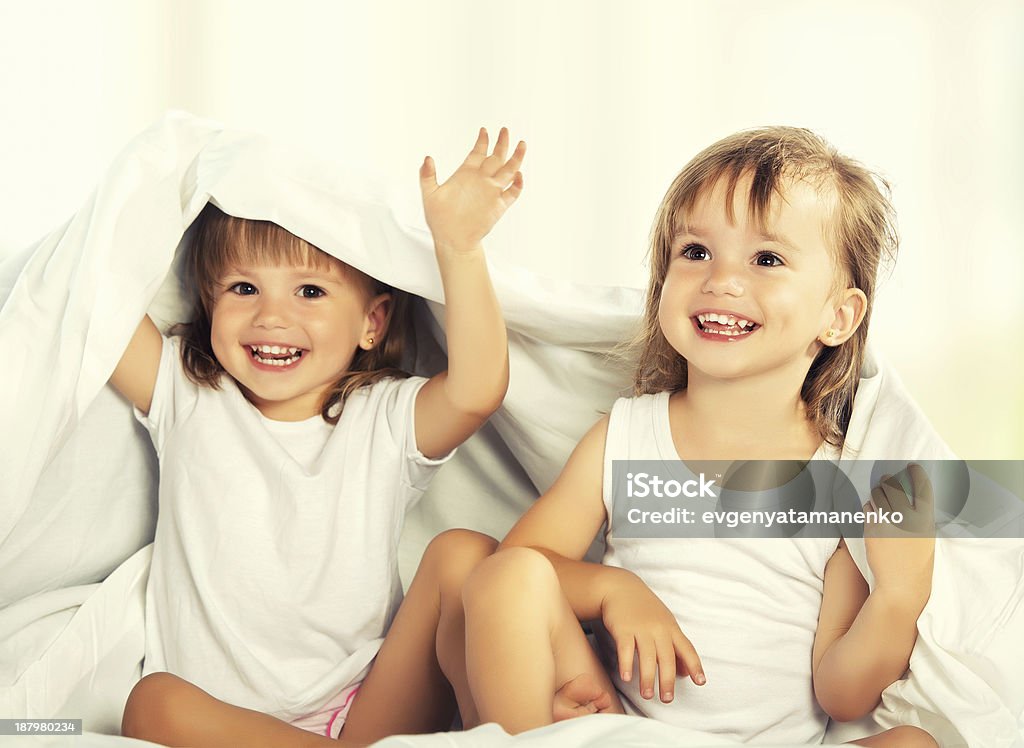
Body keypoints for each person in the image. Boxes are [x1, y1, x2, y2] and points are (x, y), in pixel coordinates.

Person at [462, 127, 937, 747]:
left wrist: (898, 598)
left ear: (838, 316)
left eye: (766, 259)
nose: (722, 280)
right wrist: (613, 590)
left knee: (914, 745)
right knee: (499, 576)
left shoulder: (840, 479)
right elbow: (517, 570)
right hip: (620, 728)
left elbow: (841, 693)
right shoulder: (629, 436)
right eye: (694, 251)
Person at [117, 127, 524, 746]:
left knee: (464, 554)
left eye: (310, 291)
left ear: (372, 321)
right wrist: (169, 162)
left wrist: (459, 248)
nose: (271, 316)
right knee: (152, 702)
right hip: (218, 718)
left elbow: (476, 390)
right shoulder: (186, 392)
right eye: (242, 288)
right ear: (207, 300)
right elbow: (98, 301)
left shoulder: (382, 417)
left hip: (363, 711)